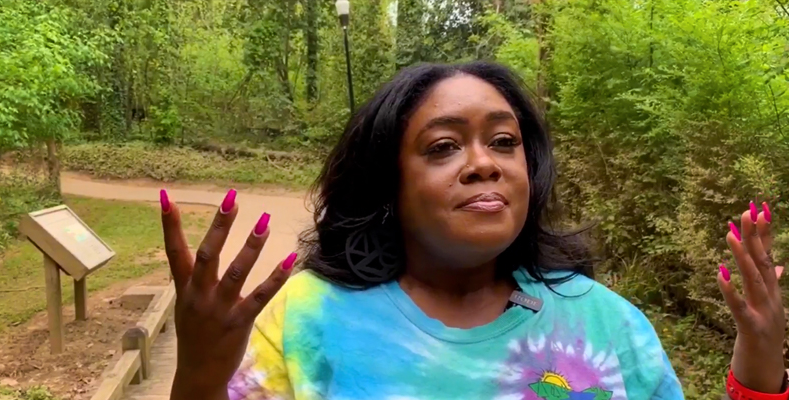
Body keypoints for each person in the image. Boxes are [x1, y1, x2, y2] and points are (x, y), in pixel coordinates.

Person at [160, 62, 788, 399]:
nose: (484, 162)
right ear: (387, 186)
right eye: (442, 146)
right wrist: (198, 378)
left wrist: (759, 372)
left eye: (504, 141)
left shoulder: (609, 326)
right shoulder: (305, 321)